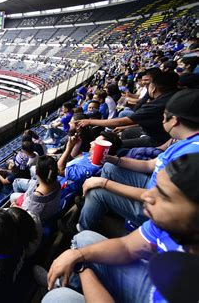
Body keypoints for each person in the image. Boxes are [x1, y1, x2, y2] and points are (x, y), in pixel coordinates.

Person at [43, 153, 199, 303]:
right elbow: (127, 246)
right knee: (83, 240)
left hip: (155, 292)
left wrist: (83, 267)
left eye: (164, 196)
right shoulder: (170, 223)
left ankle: (64, 285)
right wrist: (79, 254)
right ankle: (67, 282)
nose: (146, 196)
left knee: (56, 298)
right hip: (155, 284)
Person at [79, 88, 199, 231]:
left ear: (173, 121)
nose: (161, 120)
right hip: (152, 186)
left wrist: (103, 183)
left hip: (154, 207)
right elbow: (149, 165)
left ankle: (82, 228)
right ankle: (104, 206)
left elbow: (156, 197)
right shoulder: (184, 141)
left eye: (164, 116)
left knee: (96, 192)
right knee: (109, 167)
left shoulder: (191, 155)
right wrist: (112, 159)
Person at [78, 71, 179, 148]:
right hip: (155, 132)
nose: (145, 85)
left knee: (116, 145)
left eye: (148, 84)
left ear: (153, 88)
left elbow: (124, 120)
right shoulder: (172, 96)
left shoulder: (155, 105)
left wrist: (90, 121)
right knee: (126, 132)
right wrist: (124, 128)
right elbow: (145, 118)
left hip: (157, 139)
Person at [11, 155, 61, 223]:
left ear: (37, 172)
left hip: (38, 216)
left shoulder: (36, 199)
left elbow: (27, 216)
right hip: (50, 208)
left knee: (12, 196)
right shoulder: (56, 182)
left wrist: (14, 206)